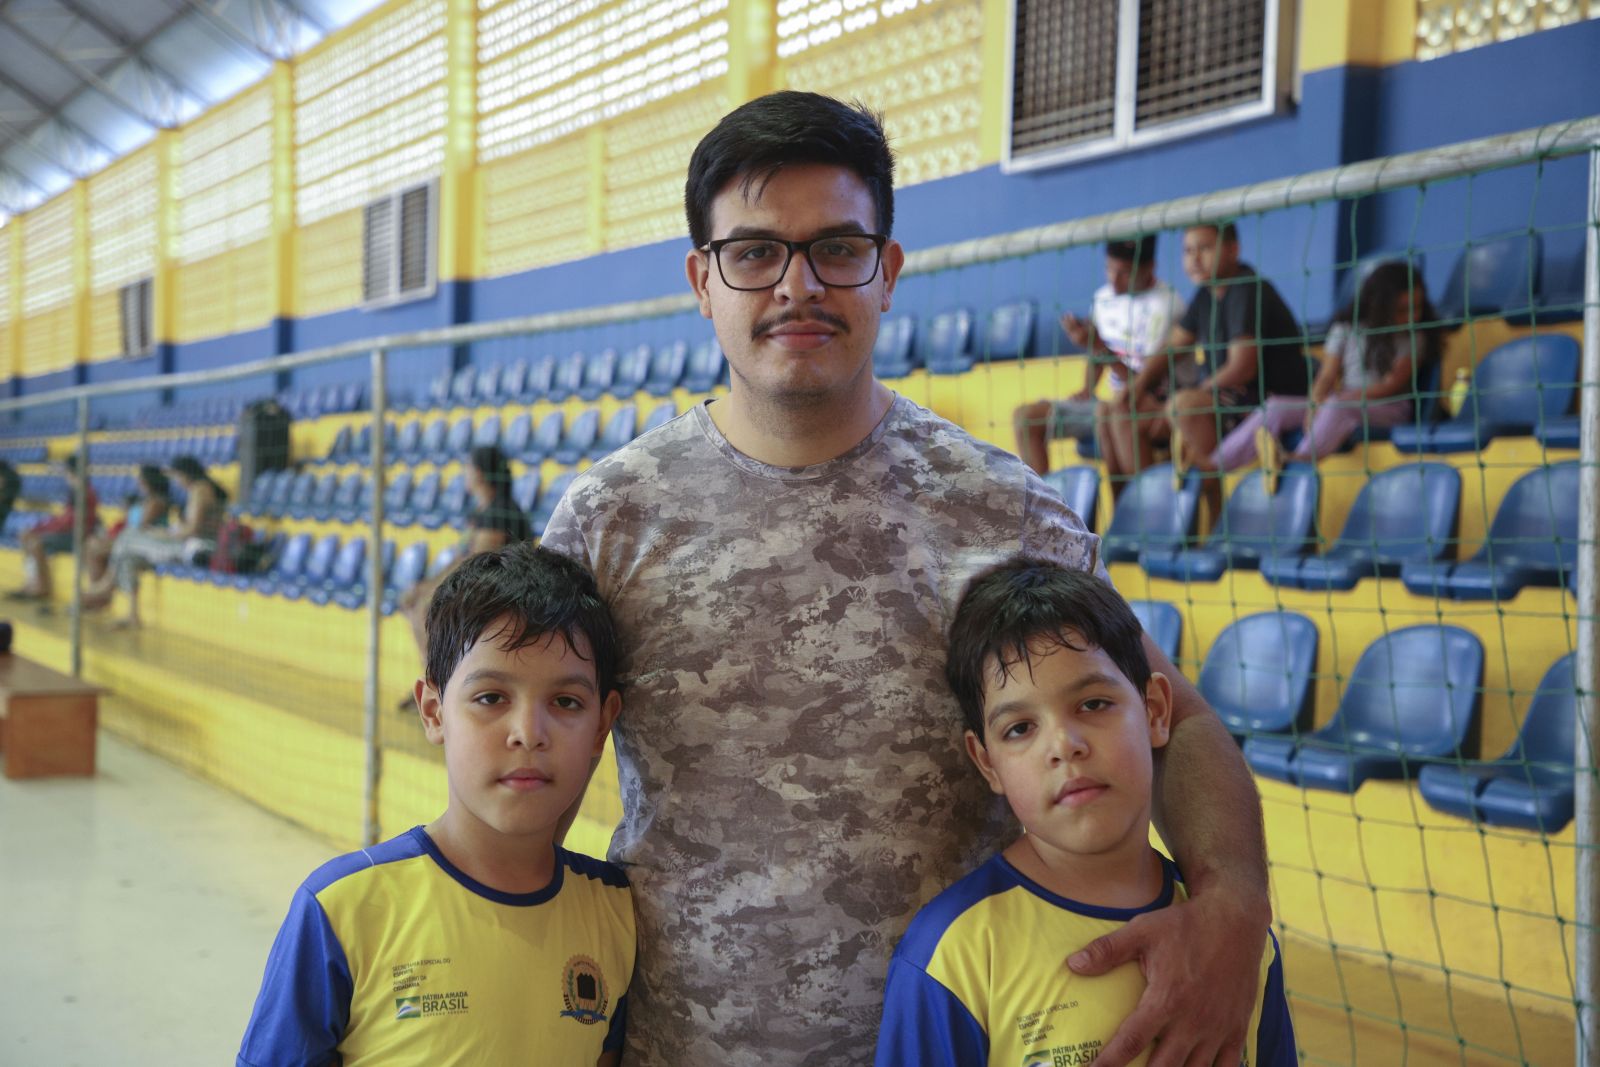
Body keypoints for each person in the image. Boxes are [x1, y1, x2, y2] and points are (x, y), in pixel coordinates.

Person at [543, 91, 1270, 1067]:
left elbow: (1175, 719)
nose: (796, 285)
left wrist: (1231, 911)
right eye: (754, 252)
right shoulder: (609, 520)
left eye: (836, 247)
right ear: (702, 280)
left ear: (886, 271)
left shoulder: (1004, 512)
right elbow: (508, 763)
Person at [875, 558, 1295, 1066]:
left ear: (1156, 712)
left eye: (1093, 704)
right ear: (987, 763)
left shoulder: (1236, 943)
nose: (1063, 745)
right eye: (1019, 729)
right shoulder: (955, 956)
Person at [238, 543, 632, 1066]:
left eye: (566, 702)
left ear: (602, 724)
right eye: (491, 697)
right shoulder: (344, 910)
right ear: (433, 711)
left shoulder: (617, 911)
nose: (528, 733)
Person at [1116, 223, 1311, 513]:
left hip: (1265, 398)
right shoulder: (1205, 295)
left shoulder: (1247, 288)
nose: (1195, 259)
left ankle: (1217, 519)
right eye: (1187, 251)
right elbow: (1171, 348)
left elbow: (1242, 369)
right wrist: (1137, 388)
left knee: (1185, 405)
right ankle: (1154, 517)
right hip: (1229, 399)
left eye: (1205, 248)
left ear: (1233, 249)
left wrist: (1191, 395)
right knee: (1126, 413)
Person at [1205, 261, 1443, 476]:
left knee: (1338, 405)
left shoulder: (1414, 338)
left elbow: (1393, 385)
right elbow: (1327, 375)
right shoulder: (1346, 329)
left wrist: (1338, 399)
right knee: (1276, 406)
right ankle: (1214, 465)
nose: (1411, 317)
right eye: (1402, 310)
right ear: (1378, 305)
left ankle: (1297, 461)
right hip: (1345, 402)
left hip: (1389, 408)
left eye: (1417, 308)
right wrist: (1314, 401)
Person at [1012, 236, 1185, 480]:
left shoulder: (1168, 305)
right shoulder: (1103, 298)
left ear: (1149, 269)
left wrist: (1099, 347)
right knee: (1026, 418)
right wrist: (1087, 387)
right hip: (1109, 403)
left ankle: (1141, 512)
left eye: (1125, 272)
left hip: (1149, 405)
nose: (1114, 280)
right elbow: (1098, 357)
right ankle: (1045, 513)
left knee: (1113, 413)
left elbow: (1145, 384)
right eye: (1109, 269)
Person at [398, 444, 532, 686]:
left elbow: (474, 562)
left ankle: (442, 684)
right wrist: (425, 586)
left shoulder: (499, 512)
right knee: (418, 605)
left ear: (479, 473)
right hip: (484, 585)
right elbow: (462, 558)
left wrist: (429, 591)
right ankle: (437, 680)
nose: (465, 473)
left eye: (468, 467)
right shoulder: (483, 511)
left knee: (425, 611)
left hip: (504, 591)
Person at [86, 455, 226, 628]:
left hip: (194, 548)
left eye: (177, 476)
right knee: (130, 558)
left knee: (129, 535)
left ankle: (107, 584)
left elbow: (193, 529)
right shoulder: (200, 490)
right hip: (187, 544)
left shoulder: (200, 490)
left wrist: (168, 533)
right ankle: (132, 616)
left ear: (185, 474)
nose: (176, 481)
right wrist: (168, 531)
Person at [10, 453, 98, 602]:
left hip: (76, 535)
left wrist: (43, 529)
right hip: (67, 531)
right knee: (26, 535)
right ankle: (32, 582)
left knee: (36, 543)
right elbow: (64, 518)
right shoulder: (75, 490)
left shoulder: (84, 491)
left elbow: (71, 522)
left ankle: (43, 587)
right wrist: (41, 527)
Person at [83, 464, 170, 593]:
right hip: (132, 538)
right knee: (91, 545)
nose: (138, 483)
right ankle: (97, 589)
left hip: (143, 543)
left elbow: (139, 528)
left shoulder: (156, 503)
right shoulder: (144, 501)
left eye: (141, 480)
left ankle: (100, 590)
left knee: (95, 548)